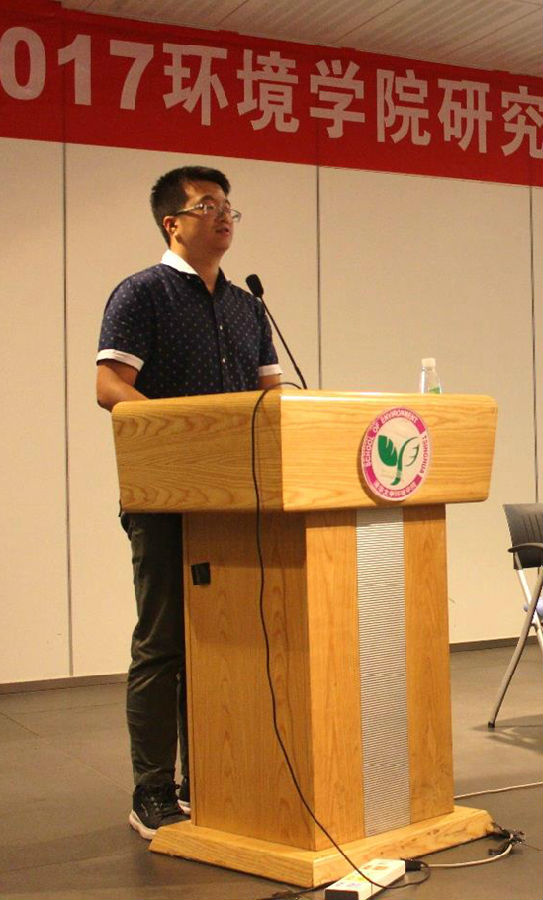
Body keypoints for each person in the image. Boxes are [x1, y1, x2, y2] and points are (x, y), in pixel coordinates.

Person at [96, 165, 282, 840]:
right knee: (164, 643)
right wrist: (187, 434)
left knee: (223, 640)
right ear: (172, 223)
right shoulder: (141, 292)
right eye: (208, 206)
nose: (224, 215)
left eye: (228, 206)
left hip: (235, 502)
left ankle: (206, 778)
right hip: (165, 495)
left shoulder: (246, 304)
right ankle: (151, 790)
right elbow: (110, 385)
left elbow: (271, 394)